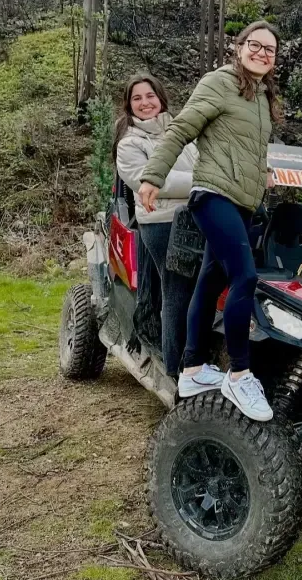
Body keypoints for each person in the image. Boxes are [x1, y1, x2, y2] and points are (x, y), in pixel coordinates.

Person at [137, 21, 280, 421]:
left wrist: (263, 171)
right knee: (245, 277)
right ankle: (240, 372)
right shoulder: (219, 82)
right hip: (213, 195)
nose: (262, 53)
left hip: (243, 201)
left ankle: (193, 369)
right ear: (239, 47)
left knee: (210, 279)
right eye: (255, 45)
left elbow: (243, 146)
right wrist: (153, 175)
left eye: (270, 50)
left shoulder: (261, 96)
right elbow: (183, 128)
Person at [113, 74, 198, 380]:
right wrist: (205, 184)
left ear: (161, 98)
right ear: (129, 105)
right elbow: (152, 183)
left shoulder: (182, 133)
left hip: (197, 217)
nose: (145, 103)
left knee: (204, 289)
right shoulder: (129, 144)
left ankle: (202, 357)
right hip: (162, 223)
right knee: (176, 289)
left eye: (150, 96)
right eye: (137, 98)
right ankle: (178, 370)